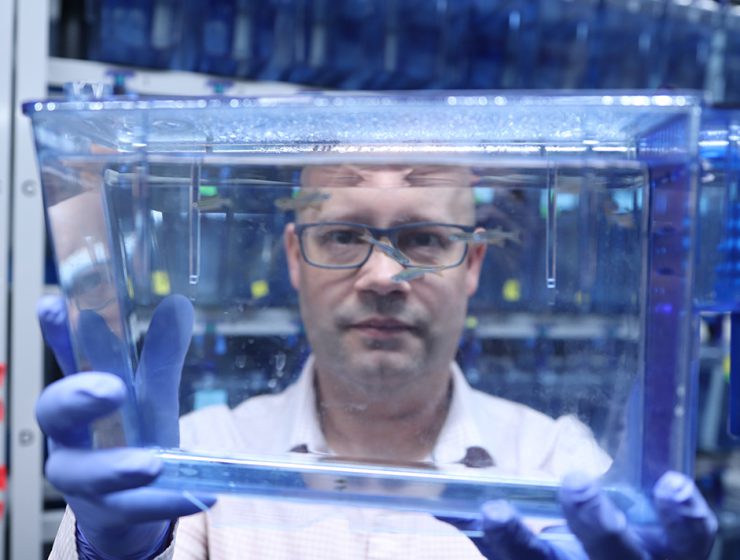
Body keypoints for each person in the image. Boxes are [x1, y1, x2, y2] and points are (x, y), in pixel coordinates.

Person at [37, 164, 717, 559]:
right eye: (343, 235)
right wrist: (116, 554)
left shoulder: (560, 468)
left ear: (475, 263)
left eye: (422, 237)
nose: (385, 274)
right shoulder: (201, 457)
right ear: (293, 257)